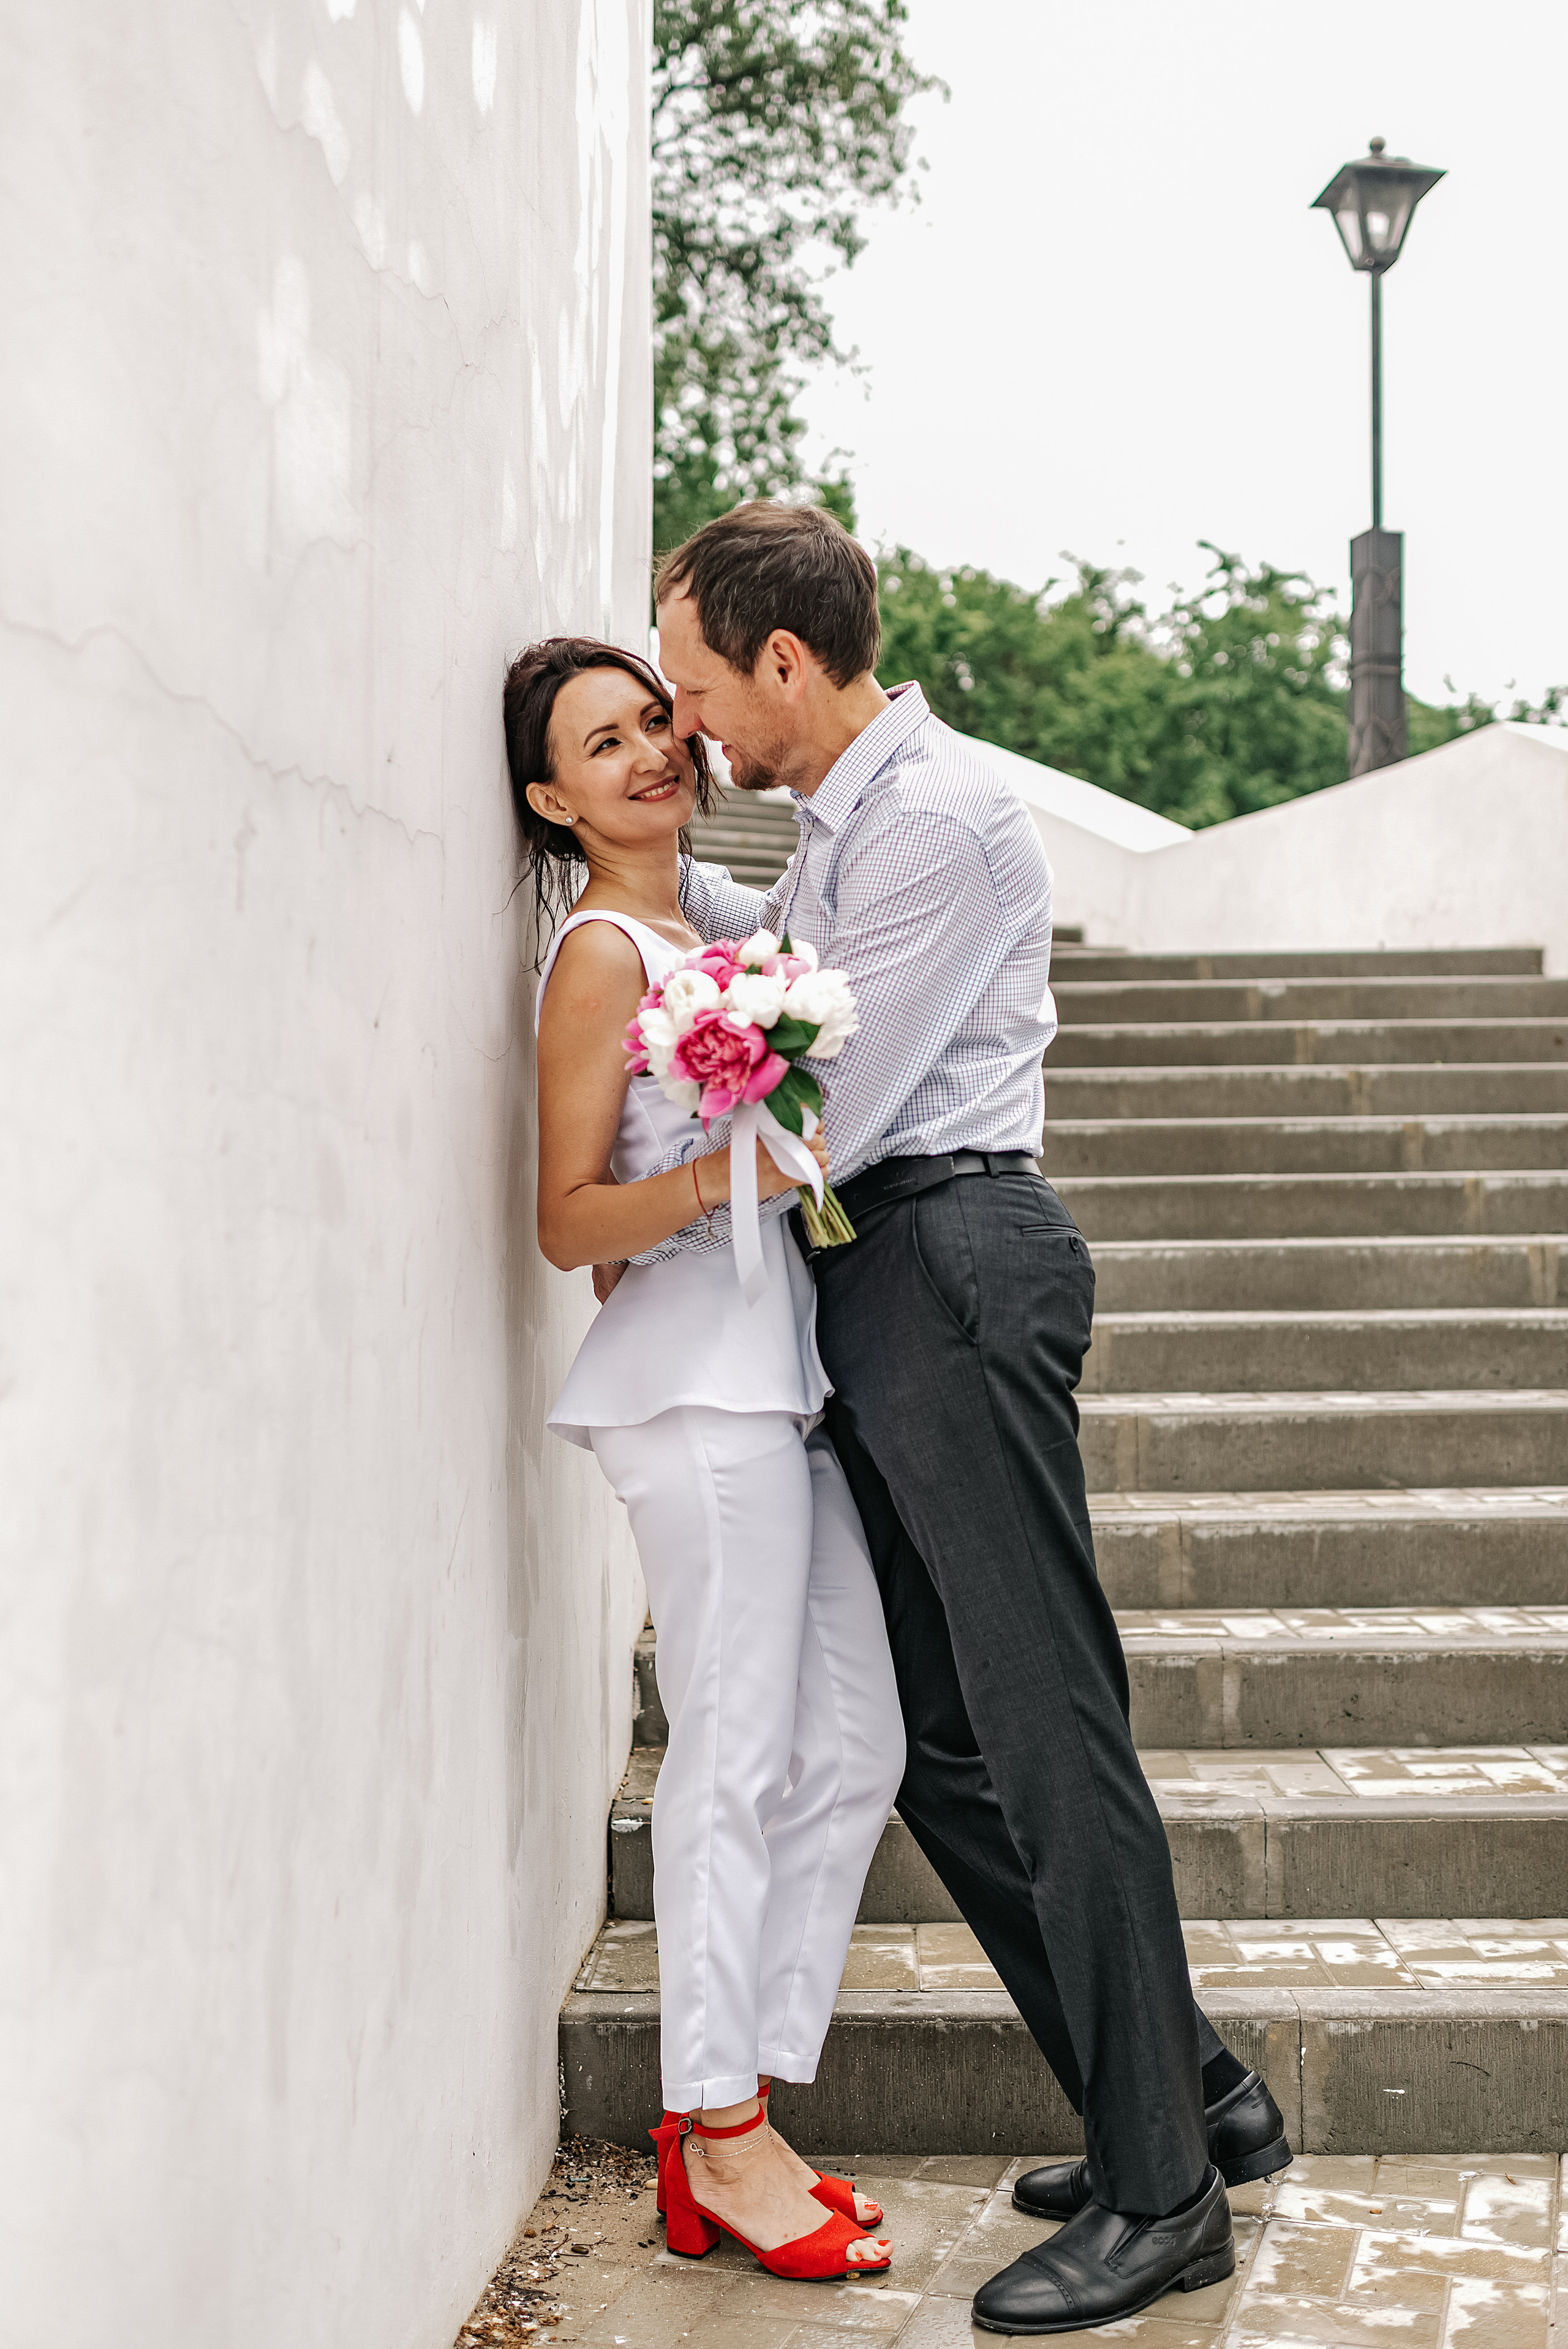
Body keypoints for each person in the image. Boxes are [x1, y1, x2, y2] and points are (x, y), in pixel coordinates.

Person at [620, 501, 1292, 2336]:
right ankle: (1195, 2095)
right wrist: (636, 848)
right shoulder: (842, 827)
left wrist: (635, 1207)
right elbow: (753, 966)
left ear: (783, 659)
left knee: (1047, 1722)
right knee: (940, 1735)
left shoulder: (937, 821)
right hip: (892, 1278)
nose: (689, 728)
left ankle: (1164, 2193)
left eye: (695, 689)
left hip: (953, 1258)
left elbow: (819, 1101)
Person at [505, 636, 903, 2283]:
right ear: (554, 801)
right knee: (731, 1754)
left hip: (780, 1373)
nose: (649, 754)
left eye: (653, 722)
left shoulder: (723, 931)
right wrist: (734, 1171)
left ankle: (738, 2100)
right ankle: (719, 2131)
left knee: (860, 1738)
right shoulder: (602, 955)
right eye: (601, 744)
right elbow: (565, 1220)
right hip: (691, 1384)